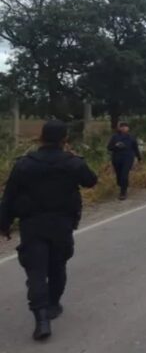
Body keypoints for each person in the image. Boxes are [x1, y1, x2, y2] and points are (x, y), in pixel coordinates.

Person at [0, 120, 98, 341]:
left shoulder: (24, 164)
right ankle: (53, 304)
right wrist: (73, 157)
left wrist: (4, 224)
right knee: (57, 266)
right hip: (62, 224)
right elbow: (91, 181)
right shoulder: (72, 163)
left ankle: (41, 318)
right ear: (65, 139)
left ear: (41, 137)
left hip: (32, 225)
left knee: (36, 272)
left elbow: (9, 197)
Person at [107, 122, 141, 201]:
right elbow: (109, 147)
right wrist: (116, 146)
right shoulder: (115, 137)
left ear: (128, 128)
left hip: (128, 158)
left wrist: (139, 157)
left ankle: (123, 192)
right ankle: (122, 184)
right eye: (122, 127)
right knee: (119, 176)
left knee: (124, 175)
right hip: (117, 158)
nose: (124, 128)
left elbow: (135, 148)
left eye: (125, 126)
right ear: (119, 128)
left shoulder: (131, 137)